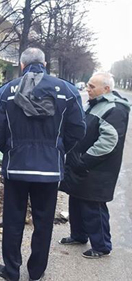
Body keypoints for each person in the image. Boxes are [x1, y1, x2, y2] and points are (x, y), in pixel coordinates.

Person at [0, 47, 86, 281]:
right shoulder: (67, 91)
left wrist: (10, 149)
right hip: (49, 170)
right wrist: (58, 149)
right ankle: (36, 272)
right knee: (43, 223)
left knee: (13, 221)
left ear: (22, 65)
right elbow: (78, 129)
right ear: (44, 63)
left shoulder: (5, 91)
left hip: (16, 168)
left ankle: (11, 271)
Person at [59, 73, 130, 258]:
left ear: (106, 89)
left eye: (92, 86)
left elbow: (109, 141)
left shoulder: (114, 108)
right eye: (88, 86)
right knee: (76, 199)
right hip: (81, 166)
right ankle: (79, 235)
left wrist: (84, 160)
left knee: (93, 206)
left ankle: (102, 245)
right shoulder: (96, 104)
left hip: (96, 169)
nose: (88, 89)